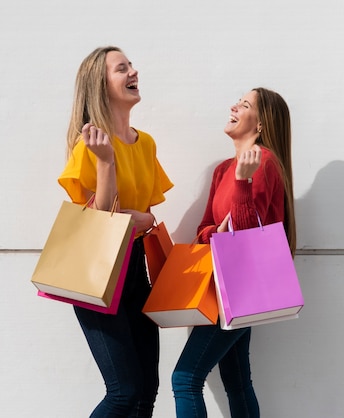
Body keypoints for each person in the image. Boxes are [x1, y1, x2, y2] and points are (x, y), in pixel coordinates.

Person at [58, 46, 174, 417]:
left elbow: (147, 215)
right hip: (98, 271)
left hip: (135, 267)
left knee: (146, 392)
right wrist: (106, 161)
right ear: (101, 85)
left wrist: (140, 218)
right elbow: (101, 220)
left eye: (131, 66)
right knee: (123, 391)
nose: (132, 72)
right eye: (121, 68)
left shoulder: (146, 143)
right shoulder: (90, 144)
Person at [171, 87, 296, 417]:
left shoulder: (265, 163)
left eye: (244, 104)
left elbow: (247, 237)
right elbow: (204, 229)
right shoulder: (223, 168)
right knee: (237, 381)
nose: (233, 106)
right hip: (221, 286)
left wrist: (243, 182)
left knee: (185, 378)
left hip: (241, 286)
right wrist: (215, 233)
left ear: (261, 123)